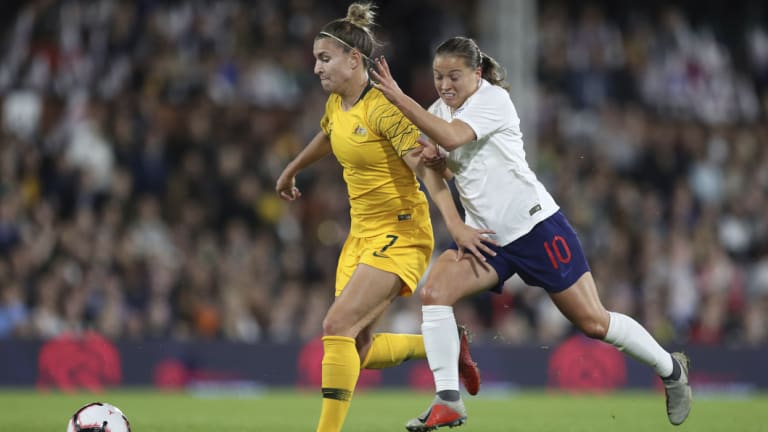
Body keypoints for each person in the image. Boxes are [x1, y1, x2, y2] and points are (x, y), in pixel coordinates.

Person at [371, 36, 693, 430]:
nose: (445, 85)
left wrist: (399, 98)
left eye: (454, 76)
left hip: (535, 226)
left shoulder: (492, 101)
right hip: (487, 238)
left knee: (594, 322)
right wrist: (440, 172)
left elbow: (454, 139)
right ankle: (448, 399)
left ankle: (671, 370)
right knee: (435, 293)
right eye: (438, 77)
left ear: (476, 73)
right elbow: (449, 167)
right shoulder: (439, 112)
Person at [275, 7, 490, 432]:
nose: (316, 67)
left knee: (335, 325)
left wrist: (456, 224)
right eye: (316, 58)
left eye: (325, 58)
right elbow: (329, 131)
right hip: (362, 235)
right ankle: (446, 345)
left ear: (354, 60)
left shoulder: (385, 109)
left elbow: (428, 169)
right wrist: (293, 168)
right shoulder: (338, 102)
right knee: (359, 347)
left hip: (401, 231)